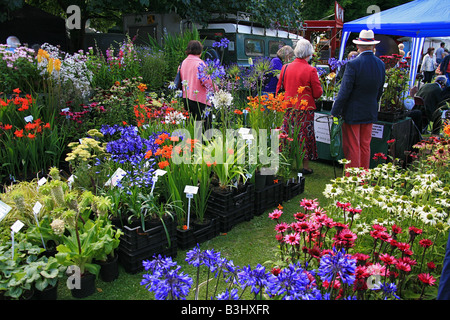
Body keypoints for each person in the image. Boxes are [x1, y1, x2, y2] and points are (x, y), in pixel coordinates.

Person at [330, 29, 385, 170]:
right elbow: (380, 90)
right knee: (365, 145)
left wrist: (335, 111)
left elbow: (344, 92)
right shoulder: (381, 64)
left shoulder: (353, 64)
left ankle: (353, 178)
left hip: (353, 111)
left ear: (358, 46)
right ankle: (363, 176)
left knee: (353, 145)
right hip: (370, 109)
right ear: (373, 46)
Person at [276, 39, 323, 175]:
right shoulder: (311, 70)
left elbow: (279, 88)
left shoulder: (285, 67)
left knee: (286, 135)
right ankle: (305, 166)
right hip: (304, 110)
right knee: (304, 136)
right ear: (309, 53)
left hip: (288, 108)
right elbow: (318, 93)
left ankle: (284, 161)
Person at [179, 40, 213, 129]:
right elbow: (207, 81)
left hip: (187, 98)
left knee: (193, 127)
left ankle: (194, 142)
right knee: (205, 129)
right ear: (200, 51)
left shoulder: (183, 62)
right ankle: (204, 143)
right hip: (200, 100)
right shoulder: (200, 63)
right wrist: (217, 89)